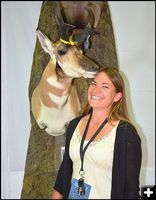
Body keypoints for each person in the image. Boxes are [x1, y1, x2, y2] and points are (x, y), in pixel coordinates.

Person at [52, 67, 142, 199]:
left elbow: (131, 189)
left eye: (105, 86)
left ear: (117, 96)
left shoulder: (126, 134)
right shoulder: (74, 125)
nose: (96, 90)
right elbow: (64, 171)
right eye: (93, 83)